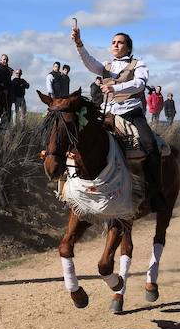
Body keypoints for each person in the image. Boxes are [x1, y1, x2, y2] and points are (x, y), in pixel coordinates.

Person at [72, 26, 168, 212]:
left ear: (128, 48)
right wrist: (78, 43)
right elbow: (89, 62)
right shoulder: (106, 66)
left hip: (131, 112)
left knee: (150, 144)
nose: (115, 45)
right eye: (113, 42)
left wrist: (116, 88)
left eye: (120, 42)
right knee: (81, 139)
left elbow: (140, 84)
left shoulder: (138, 64)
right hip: (108, 112)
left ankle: (156, 194)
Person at [0, 54, 13, 125]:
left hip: (8, 94)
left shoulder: (9, 69)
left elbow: (9, 81)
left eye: (6, 59)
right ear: (1, 60)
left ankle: (6, 126)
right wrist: (3, 88)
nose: (5, 61)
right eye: (4, 59)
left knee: (7, 111)